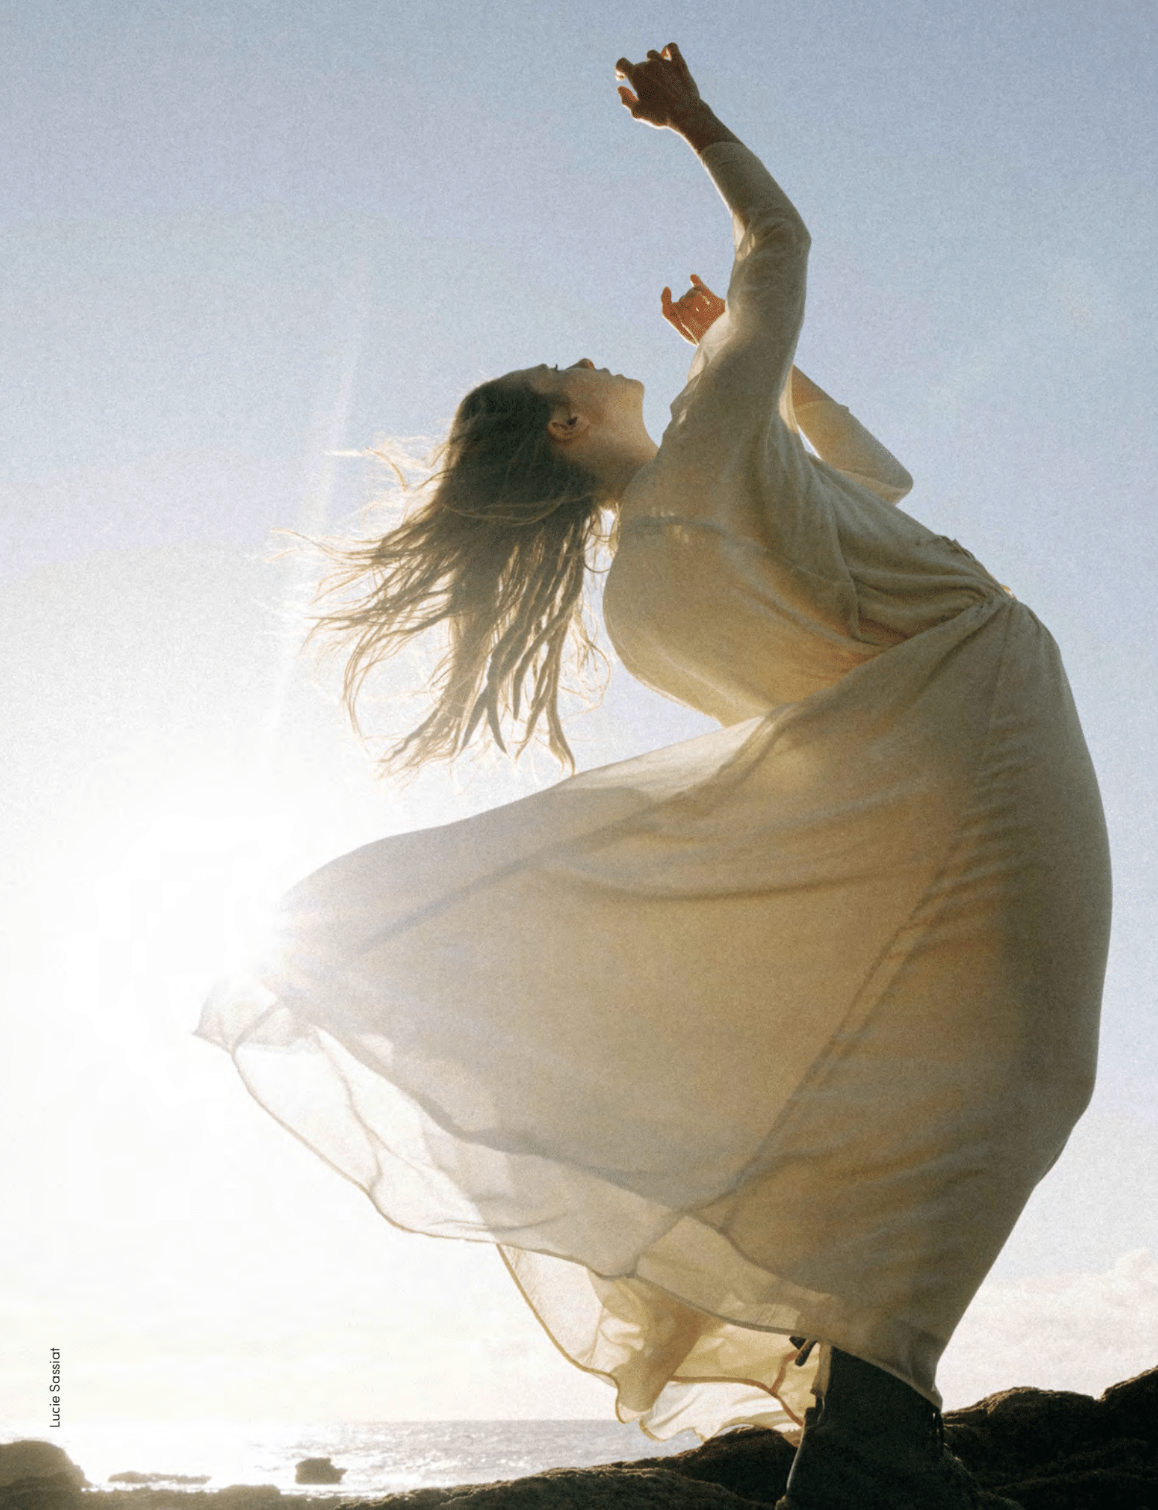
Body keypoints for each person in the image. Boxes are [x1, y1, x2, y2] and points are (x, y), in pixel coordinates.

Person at [198, 44, 1111, 1510]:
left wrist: (755, 375)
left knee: (958, 1079)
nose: (592, 356)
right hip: (982, 717)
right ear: (567, 429)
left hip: (933, 757)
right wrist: (696, 126)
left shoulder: (650, 581)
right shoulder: (701, 452)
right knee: (1014, 1075)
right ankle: (877, 1435)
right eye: (571, 371)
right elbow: (784, 244)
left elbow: (870, 480)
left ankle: (867, 1407)